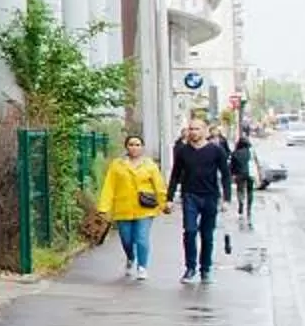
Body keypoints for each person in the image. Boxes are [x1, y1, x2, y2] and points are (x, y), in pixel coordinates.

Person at [165, 116, 232, 284]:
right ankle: (190, 267)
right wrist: (170, 198)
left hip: (210, 195)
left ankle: (205, 269)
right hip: (190, 195)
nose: (193, 132)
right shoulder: (183, 151)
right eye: (191, 129)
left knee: (207, 234)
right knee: (190, 231)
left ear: (205, 131)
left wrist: (226, 199)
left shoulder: (216, 151)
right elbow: (175, 175)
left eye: (197, 129)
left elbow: (225, 175)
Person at [95, 131, 168, 280]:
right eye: (131, 145)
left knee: (142, 238)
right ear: (126, 147)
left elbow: (159, 186)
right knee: (126, 239)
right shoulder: (117, 165)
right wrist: (104, 207)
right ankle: (130, 257)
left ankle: (142, 267)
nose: (134, 147)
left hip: (145, 208)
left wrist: (164, 204)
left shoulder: (150, 165)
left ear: (142, 147)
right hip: (123, 207)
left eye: (137, 145)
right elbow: (109, 186)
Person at [229, 126, 259, 228]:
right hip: (250, 174)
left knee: (240, 190)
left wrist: (232, 175)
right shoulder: (251, 152)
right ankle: (249, 208)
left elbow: (232, 166)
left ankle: (241, 204)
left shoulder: (235, 153)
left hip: (239, 174)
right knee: (250, 191)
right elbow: (256, 164)